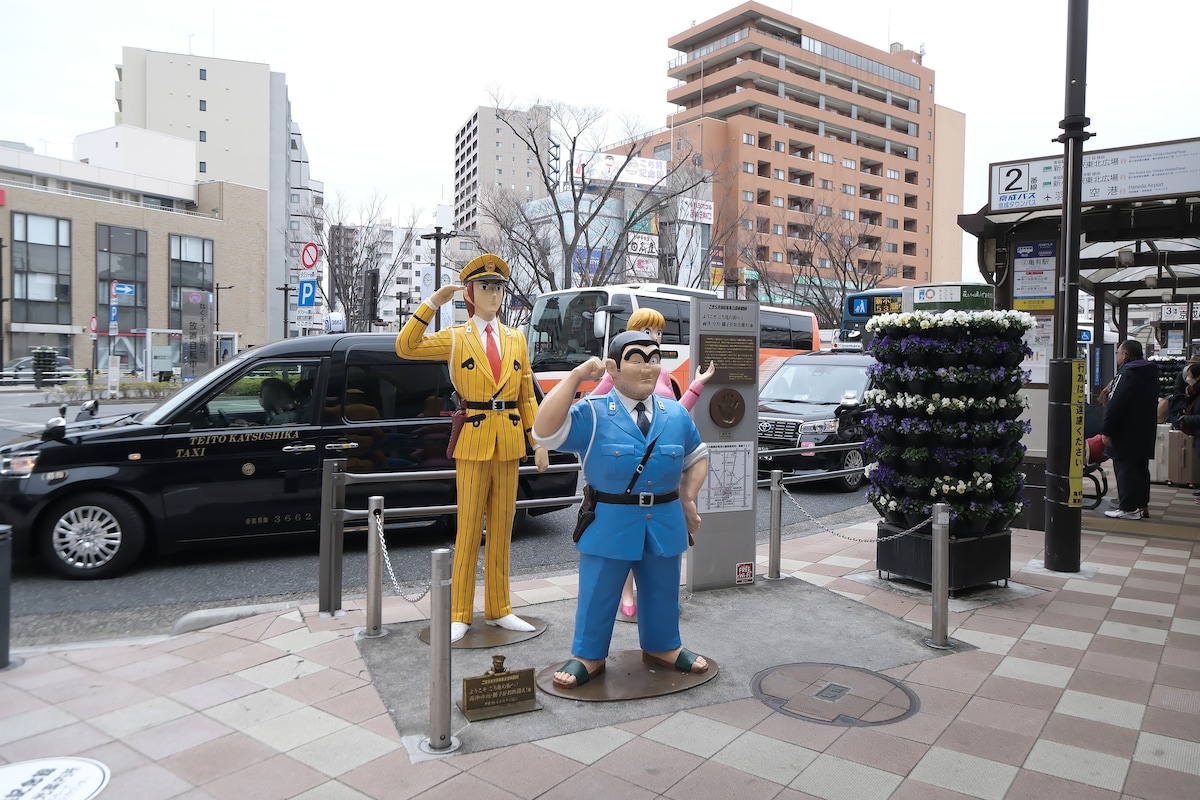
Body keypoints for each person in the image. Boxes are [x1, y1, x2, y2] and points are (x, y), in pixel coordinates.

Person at [534, 330, 710, 690]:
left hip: (663, 519)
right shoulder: (594, 414)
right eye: (637, 358)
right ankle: (588, 654)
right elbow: (545, 430)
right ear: (613, 367)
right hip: (610, 521)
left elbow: (697, 456)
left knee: (663, 588)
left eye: (654, 358)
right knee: (599, 591)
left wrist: (688, 497)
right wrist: (575, 376)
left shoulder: (674, 413)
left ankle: (664, 646)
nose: (648, 367)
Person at [395, 254, 550, 642]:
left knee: (502, 529)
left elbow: (526, 395)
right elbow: (406, 347)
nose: (494, 295)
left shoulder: (515, 338)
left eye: (498, 287)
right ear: (469, 292)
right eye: (485, 287)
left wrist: (540, 440)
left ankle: (500, 608)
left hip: (510, 439)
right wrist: (432, 303)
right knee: (468, 530)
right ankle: (460, 611)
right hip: (474, 438)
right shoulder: (457, 337)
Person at [589, 307, 715, 619]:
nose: (654, 338)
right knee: (627, 537)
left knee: (658, 542)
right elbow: (593, 404)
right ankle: (627, 592)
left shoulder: (665, 375)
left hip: (659, 465)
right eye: (647, 332)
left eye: (658, 333)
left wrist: (697, 385)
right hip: (626, 462)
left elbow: (676, 412)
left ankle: (656, 603)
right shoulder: (617, 373)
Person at [1102, 340, 1160, 520]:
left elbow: (1116, 405)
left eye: (1118, 353)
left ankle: (1128, 508)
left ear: (1125, 355)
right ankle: (1142, 506)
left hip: (1125, 432)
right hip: (1145, 430)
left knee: (1125, 468)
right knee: (1141, 469)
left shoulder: (1127, 373)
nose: (1117, 356)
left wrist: (1107, 430)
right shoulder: (1150, 372)